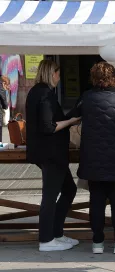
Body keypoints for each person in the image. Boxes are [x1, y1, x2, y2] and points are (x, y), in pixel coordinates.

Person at [71, 62, 115, 254]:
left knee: (96, 201)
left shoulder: (86, 98)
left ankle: (97, 242)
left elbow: (73, 117)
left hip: (93, 159)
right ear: (113, 79)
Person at [26, 60, 80, 252]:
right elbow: (49, 127)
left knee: (69, 190)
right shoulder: (45, 94)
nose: (59, 77)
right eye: (58, 73)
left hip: (47, 152)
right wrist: (72, 120)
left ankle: (56, 233)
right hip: (51, 153)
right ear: (51, 73)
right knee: (49, 197)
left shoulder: (37, 92)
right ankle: (47, 240)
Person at [0, 75, 10, 141]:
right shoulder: (1, 88)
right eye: (7, 85)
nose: (8, 87)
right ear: (3, 83)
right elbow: (3, 100)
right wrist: (6, 107)